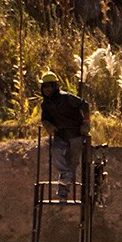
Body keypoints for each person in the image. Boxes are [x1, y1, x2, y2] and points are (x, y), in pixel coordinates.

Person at [40, 72, 90, 200]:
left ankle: (63, 192)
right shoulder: (45, 104)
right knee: (56, 151)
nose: (47, 89)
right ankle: (65, 178)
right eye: (44, 86)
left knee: (72, 162)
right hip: (61, 135)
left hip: (76, 134)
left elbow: (85, 105)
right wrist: (46, 124)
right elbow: (44, 118)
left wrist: (86, 123)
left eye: (49, 86)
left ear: (55, 86)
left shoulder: (67, 98)